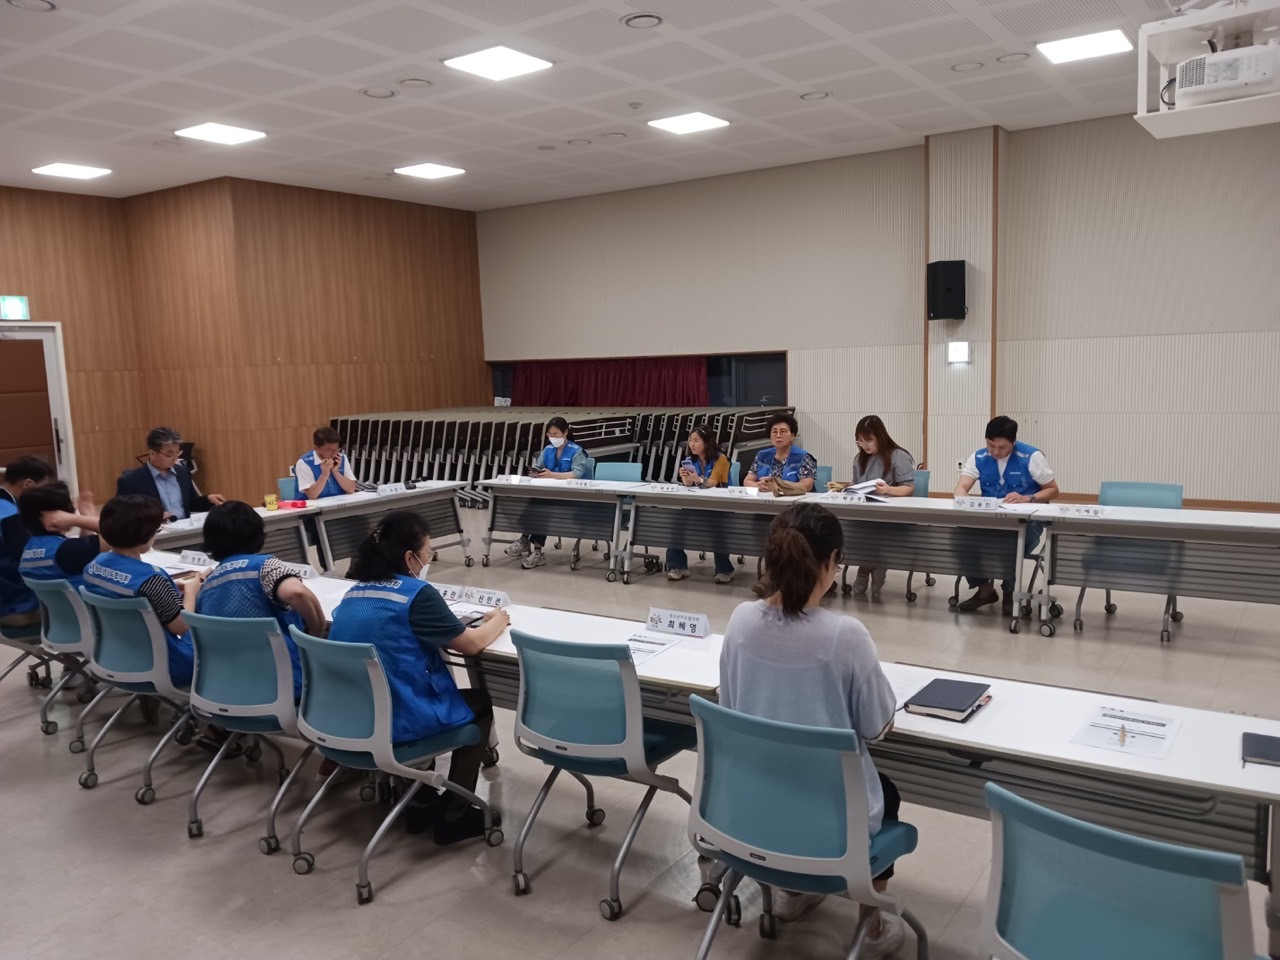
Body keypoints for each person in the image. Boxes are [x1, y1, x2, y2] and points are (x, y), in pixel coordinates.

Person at [719, 503, 903, 954]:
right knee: (888, 793)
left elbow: (730, 709)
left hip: (750, 803)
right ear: (831, 562)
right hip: (828, 819)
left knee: (786, 772)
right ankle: (872, 927)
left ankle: (791, 891)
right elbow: (877, 727)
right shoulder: (846, 636)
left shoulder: (740, 621)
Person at [329, 510, 510, 844]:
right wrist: (498, 619)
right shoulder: (417, 593)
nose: (430, 559)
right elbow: (470, 644)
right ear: (409, 558)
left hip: (350, 717)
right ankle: (455, 814)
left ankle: (419, 799)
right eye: (428, 552)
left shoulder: (355, 591)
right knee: (479, 703)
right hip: (397, 723)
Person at [190, 501, 325, 700]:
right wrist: (316, 631)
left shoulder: (207, 584)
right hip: (282, 687)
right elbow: (296, 593)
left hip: (228, 692)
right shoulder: (264, 567)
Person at [81, 495, 197, 689]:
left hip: (114, 658)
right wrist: (192, 591)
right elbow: (181, 627)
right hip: (166, 666)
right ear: (144, 533)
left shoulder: (92, 567)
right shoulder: (152, 579)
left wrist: (168, 590)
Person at [953, 415, 1059, 614]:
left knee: (1011, 540)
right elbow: (961, 487)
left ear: (1013, 442)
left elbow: (1053, 490)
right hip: (992, 520)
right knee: (961, 537)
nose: (995, 451)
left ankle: (1011, 591)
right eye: (991, 445)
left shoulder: (1031, 456)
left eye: (1002, 447)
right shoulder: (979, 457)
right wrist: (962, 497)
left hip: (1028, 521)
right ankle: (984, 590)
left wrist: (1028, 498)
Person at [832, 416, 916, 599]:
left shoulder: (898, 456)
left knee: (870, 533)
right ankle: (874, 563)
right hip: (864, 512)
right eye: (859, 441)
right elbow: (856, 484)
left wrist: (888, 490)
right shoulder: (859, 459)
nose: (864, 445)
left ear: (880, 437)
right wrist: (842, 488)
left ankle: (865, 567)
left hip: (889, 514)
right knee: (848, 529)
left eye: (868, 440)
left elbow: (909, 488)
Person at [505, 417, 588, 570]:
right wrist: (535, 473)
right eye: (550, 434)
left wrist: (552, 475)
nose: (552, 437)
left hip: (569, 496)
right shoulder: (548, 450)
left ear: (565, 433)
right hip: (548, 493)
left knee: (541, 508)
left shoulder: (577, 451)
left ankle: (533, 547)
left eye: (556, 434)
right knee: (536, 504)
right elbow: (538, 466)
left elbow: (577, 473)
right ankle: (529, 543)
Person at [666, 425, 735, 585]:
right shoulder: (691, 459)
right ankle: (678, 566)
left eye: (696, 440)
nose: (692, 444)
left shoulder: (721, 459)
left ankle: (725, 569)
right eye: (690, 440)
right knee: (676, 523)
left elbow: (713, 482)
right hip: (696, 503)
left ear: (707, 442)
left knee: (717, 527)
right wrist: (685, 477)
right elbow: (688, 484)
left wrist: (697, 479)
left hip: (720, 504)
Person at [116, 427, 225, 521]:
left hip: (185, 530)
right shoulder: (131, 481)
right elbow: (123, 516)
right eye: (169, 455)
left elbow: (190, 504)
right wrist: (151, 516)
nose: (174, 458)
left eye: (177, 453)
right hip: (154, 534)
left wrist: (207, 500)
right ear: (152, 453)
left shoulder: (183, 473)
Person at [0, 456, 58, 630]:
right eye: (44, 489)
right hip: (15, 606)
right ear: (28, 485)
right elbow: (30, 558)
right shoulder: (10, 516)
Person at [744, 413, 817, 494]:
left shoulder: (803, 457)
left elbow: (806, 486)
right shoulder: (762, 455)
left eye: (783, 431)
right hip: (765, 498)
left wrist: (778, 486)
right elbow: (747, 481)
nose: (778, 435)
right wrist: (758, 486)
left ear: (792, 436)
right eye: (774, 432)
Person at [294, 426, 358, 500]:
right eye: (329, 450)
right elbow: (312, 495)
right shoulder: (304, 463)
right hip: (312, 506)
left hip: (338, 503)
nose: (334, 453)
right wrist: (324, 475)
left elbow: (351, 489)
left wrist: (336, 472)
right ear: (316, 448)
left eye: (336, 449)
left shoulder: (341, 457)